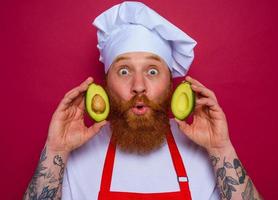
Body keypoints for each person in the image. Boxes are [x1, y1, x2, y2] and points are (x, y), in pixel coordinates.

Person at [24, 1, 262, 199]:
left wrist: (221, 150)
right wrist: (55, 148)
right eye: (124, 71)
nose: (139, 86)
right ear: (106, 84)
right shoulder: (75, 151)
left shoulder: (204, 149)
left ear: (171, 84)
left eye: (152, 71)